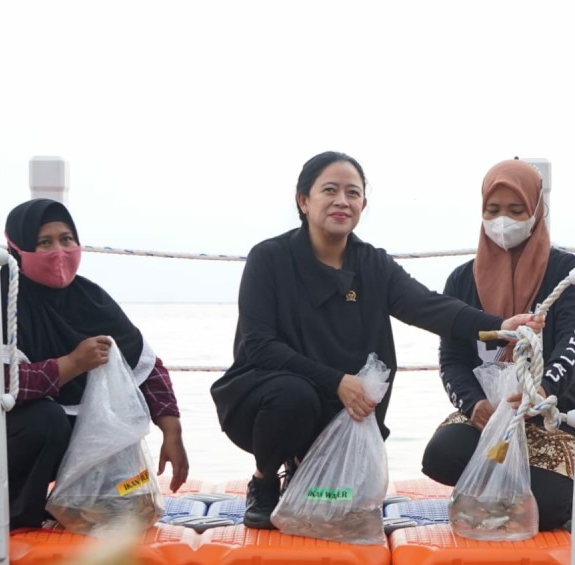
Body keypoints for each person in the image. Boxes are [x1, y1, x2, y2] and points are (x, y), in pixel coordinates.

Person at [210, 151, 545, 530]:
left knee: (341, 504)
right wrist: (335, 381)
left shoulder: (373, 265)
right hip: (270, 399)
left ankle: (308, 471)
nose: (342, 201)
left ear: (363, 205)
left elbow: (430, 307)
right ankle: (265, 480)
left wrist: (501, 325)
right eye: (330, 190)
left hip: (352, 406)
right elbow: (259, 346)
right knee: (292, 396)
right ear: (303, 200)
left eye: (353, 193)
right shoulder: (268, 259)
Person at [0, 199, 190, 530]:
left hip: (44, 427)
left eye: (66, 239)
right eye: (43, 243)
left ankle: (82, 504)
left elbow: (145, 366)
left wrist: (172, 432)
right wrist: (72, 364)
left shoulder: (90, 298)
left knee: (115, 421)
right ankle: (7, 513)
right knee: (46, 419)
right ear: (17, 248)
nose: (59, 252)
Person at [419, 159, 575, 531]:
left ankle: (488, 492)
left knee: (554, 509)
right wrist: (474, 404)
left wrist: (540, 392)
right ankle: (500, 491)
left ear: (536, 211)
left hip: (549, 419)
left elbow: (573, 345)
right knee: (440, 455)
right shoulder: (461, 279)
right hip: (489, 415)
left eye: (515, 210)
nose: (503, 221)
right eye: (493, 210)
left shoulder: (565, 271)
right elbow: (452, 357)